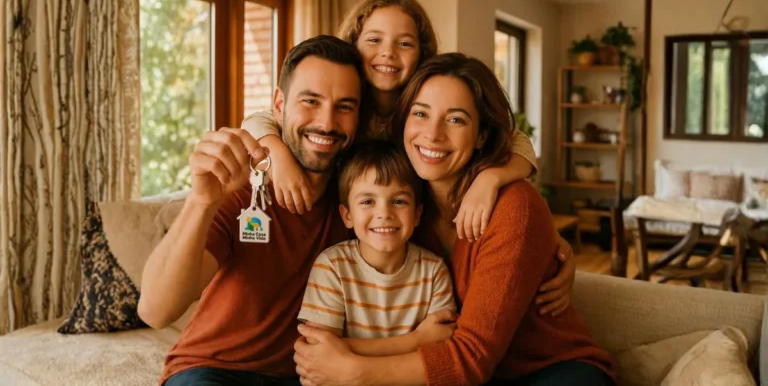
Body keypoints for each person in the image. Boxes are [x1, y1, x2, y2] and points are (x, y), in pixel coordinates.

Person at [138, 35, 575, 386]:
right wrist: (201, 200)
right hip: (215, 371)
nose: (327, 122)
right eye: (309, 101)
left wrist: (539, 239)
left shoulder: (366, 198)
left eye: (344, 107)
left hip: (306, 374)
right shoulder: (247, 188)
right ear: (277, 106)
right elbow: (155, 311)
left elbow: (495, 149)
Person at [293, 53, 616, 386]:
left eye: (456, 119)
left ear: (481, 136)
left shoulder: (512, 205)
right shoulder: (406, 203)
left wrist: (352, 371)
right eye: (420, 114)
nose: (433, 134)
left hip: (552, 371)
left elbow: (470, 359)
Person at [242, 0, 540, 254]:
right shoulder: (340, 108)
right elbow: (259, 119)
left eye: (405, 43)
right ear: (353, 44)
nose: (388, 52)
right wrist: (277, 156)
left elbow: (516, 140)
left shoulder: (424, 106)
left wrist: (490, 179)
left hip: (410, 233)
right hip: (351, 230)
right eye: (374, 40)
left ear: (422, 53)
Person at [298, 141, 458, 354]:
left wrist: (346, 350)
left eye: (399, 201)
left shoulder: (434, 271)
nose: (384, 213)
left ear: (417, 214)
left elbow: (440, 348)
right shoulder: (332, 267)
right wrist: (417, 340)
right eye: (367, 202)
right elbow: (319, 352)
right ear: (347, 216)